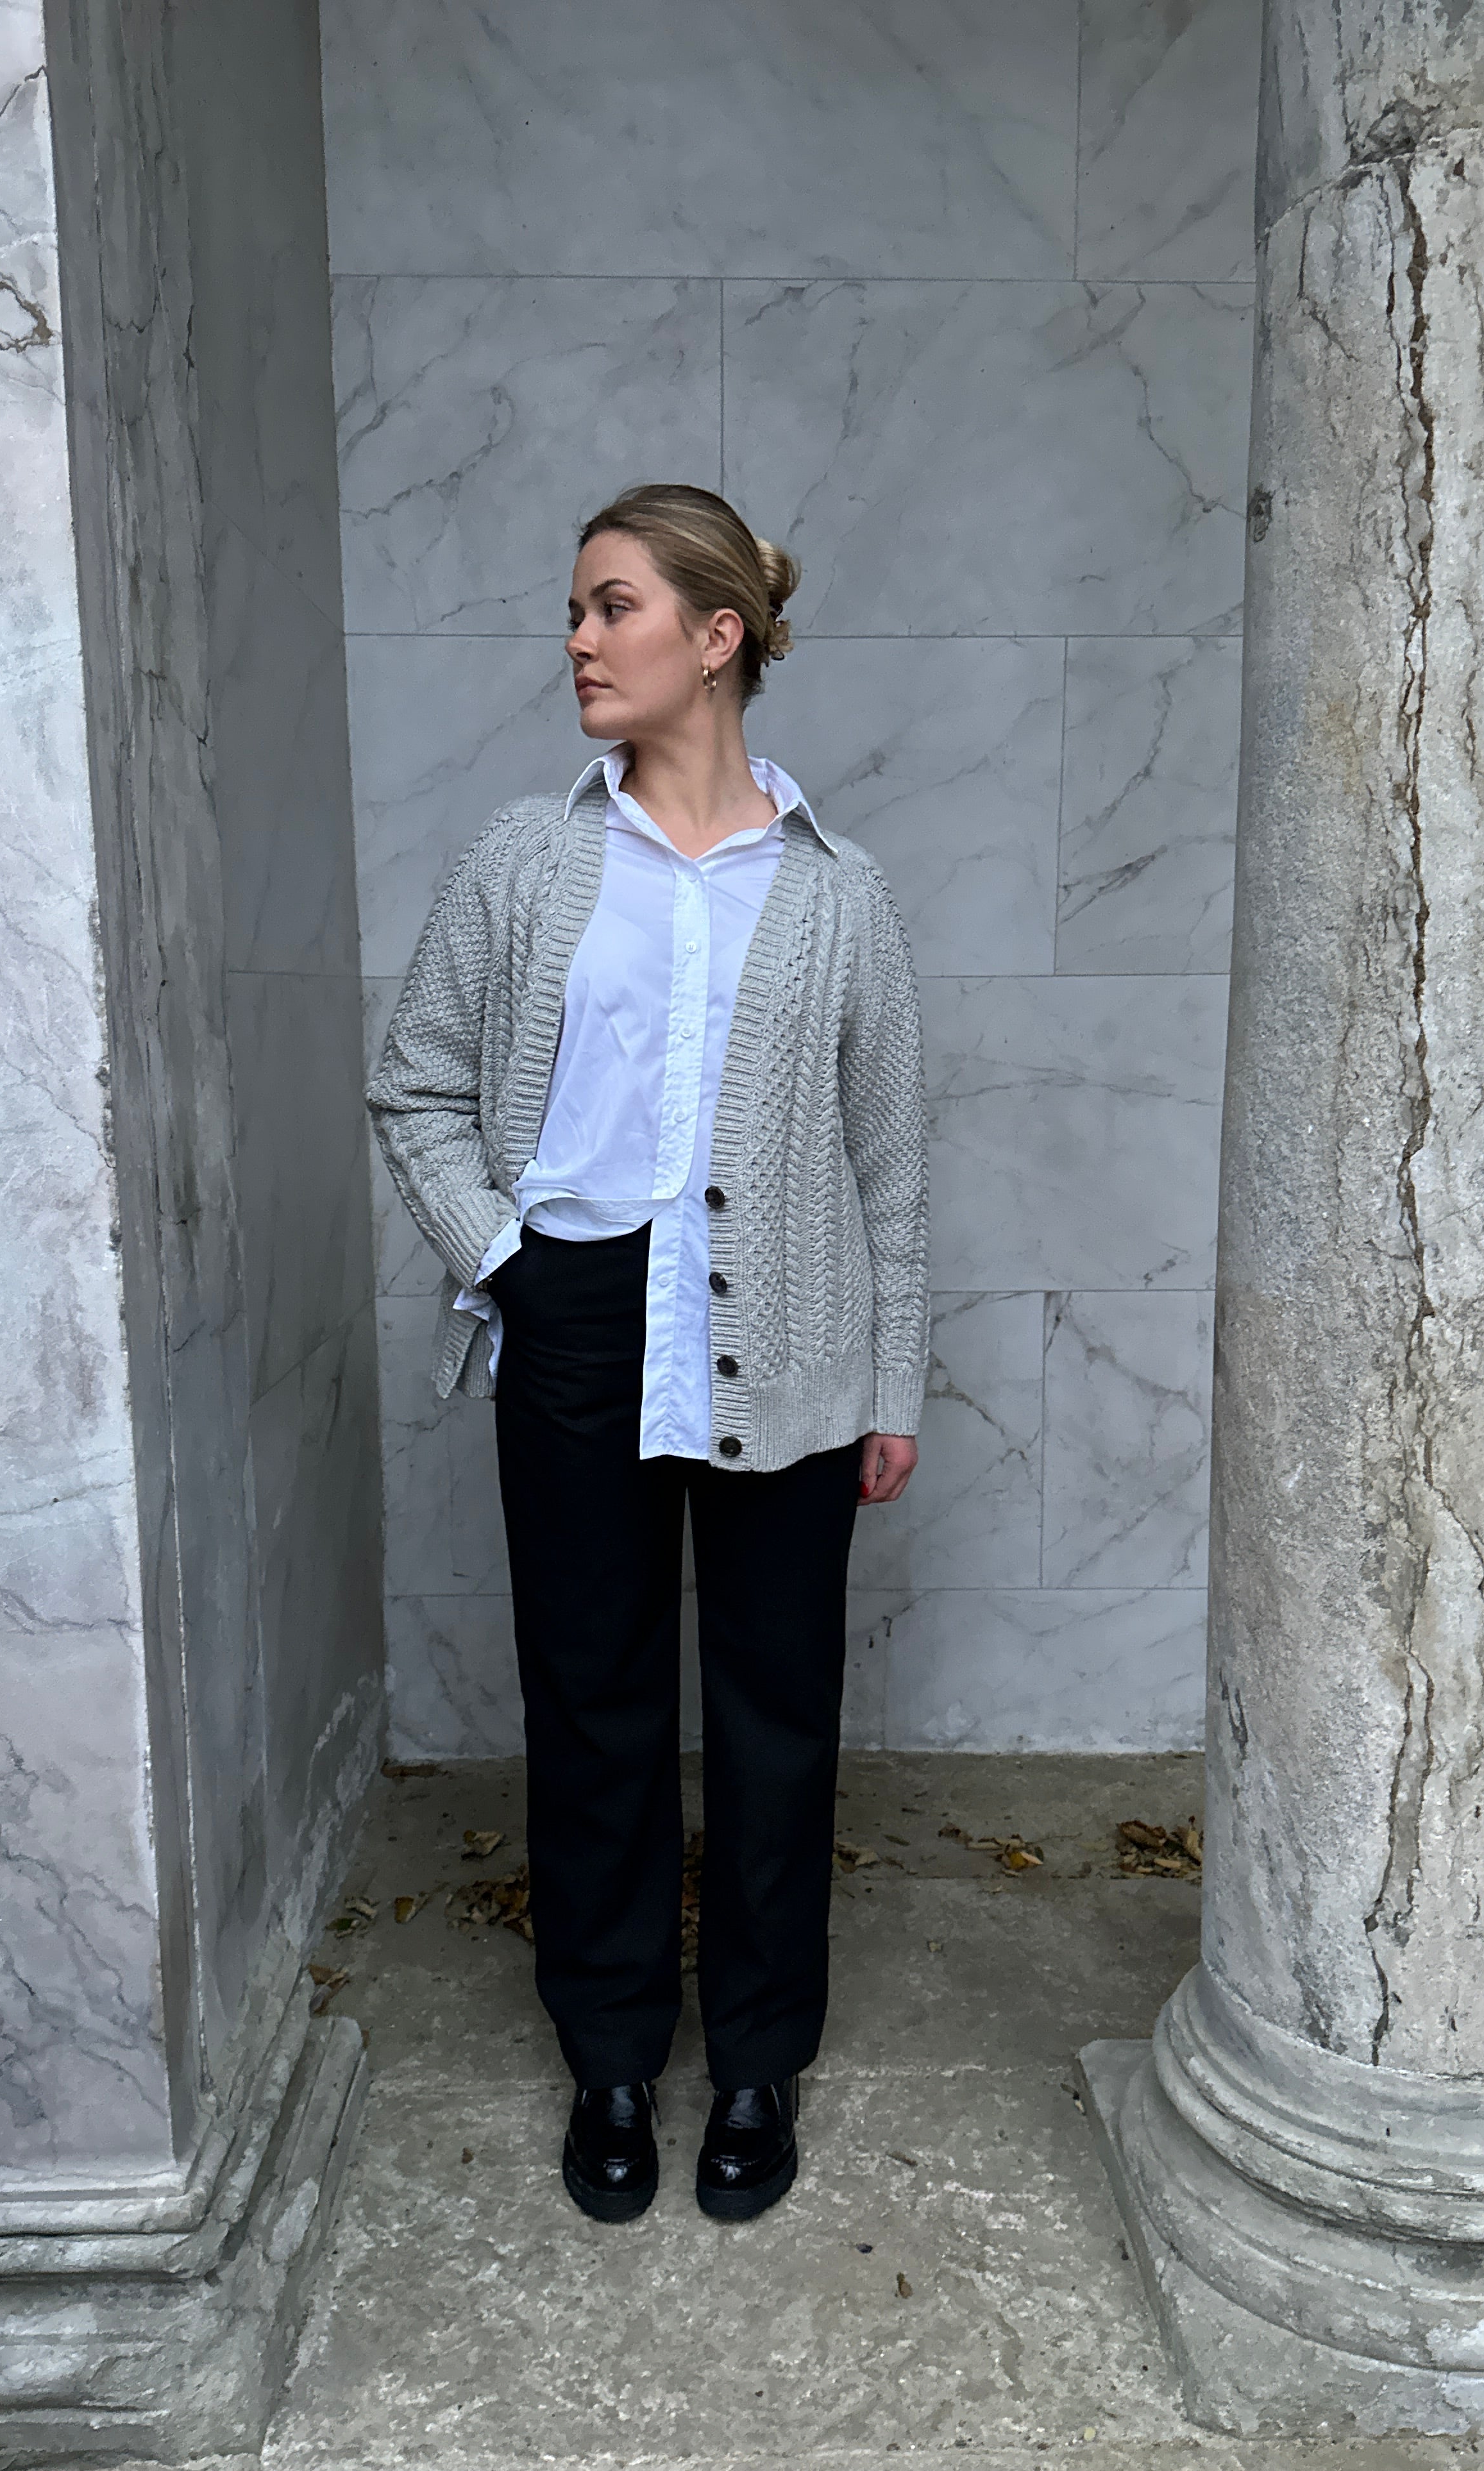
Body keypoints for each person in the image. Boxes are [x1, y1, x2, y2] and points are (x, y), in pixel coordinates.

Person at [367, 482, 928, 2225]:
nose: (579, 642)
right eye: (576, 611)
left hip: (796, 1336)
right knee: (595, 1703)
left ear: (720, 634)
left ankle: (757, 2056)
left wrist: (891, 1385)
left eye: (612, 607)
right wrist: (511, 1264)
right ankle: (611, 2052)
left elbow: (890, 1161)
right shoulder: (528, 864)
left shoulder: (840, 896)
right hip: (580, 1318)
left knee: (775, 1715)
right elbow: (419, 1087)